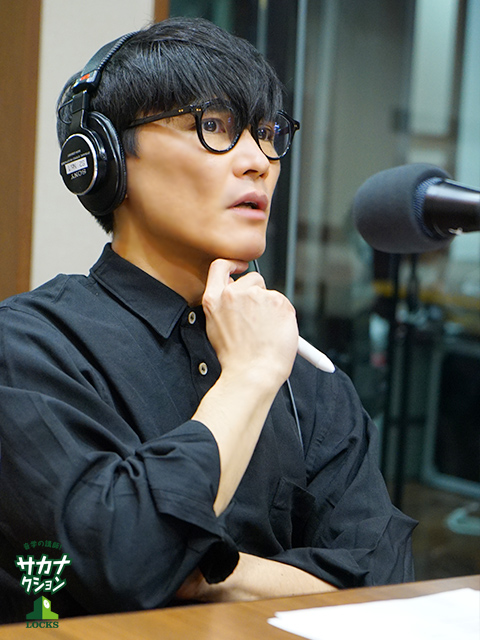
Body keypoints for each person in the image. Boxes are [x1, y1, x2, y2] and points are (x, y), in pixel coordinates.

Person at [0, 17, 416, 623]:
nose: (258, 161)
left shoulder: (309, 379)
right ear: (104, 158)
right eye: (214, 126)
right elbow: (125, 559)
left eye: (267, 134)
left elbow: (385, 586)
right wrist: (247, 377)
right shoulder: (29, 347)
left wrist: (205, 570)